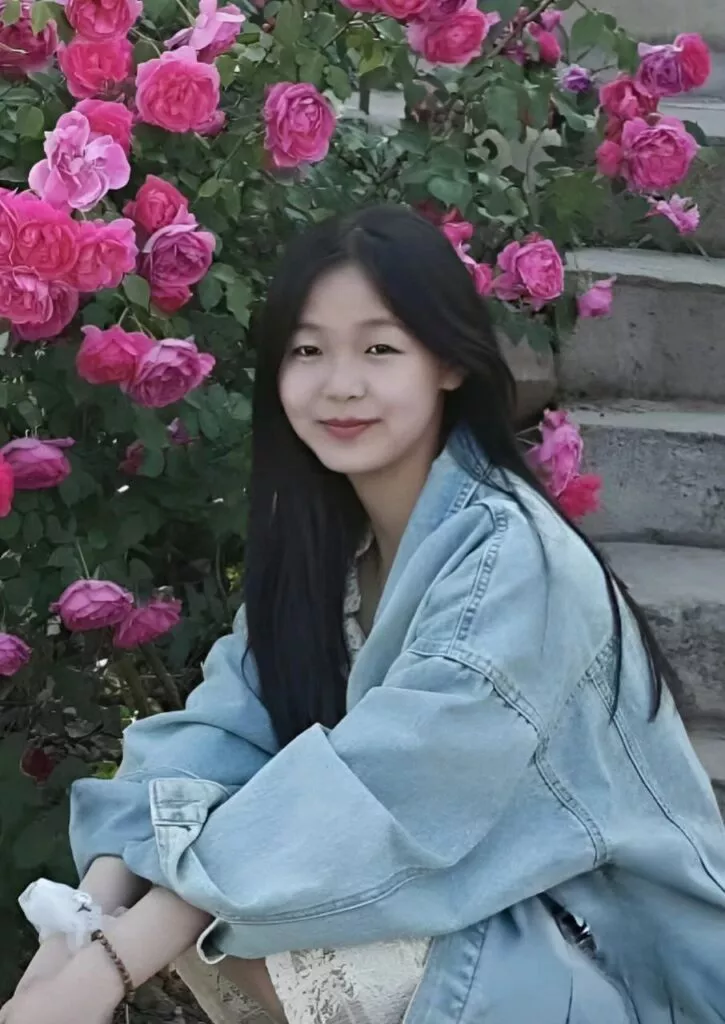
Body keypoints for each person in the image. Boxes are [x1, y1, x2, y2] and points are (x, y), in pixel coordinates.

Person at [3, 205, 725, 1024]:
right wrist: (74, 929)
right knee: (225, 881)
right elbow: (213, 739)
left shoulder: (515, 562)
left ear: (448, 363)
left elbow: (372, 801)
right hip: (508, 933)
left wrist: (106, 969)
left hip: (625, 974)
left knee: (266, 906)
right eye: (308, 351)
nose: (340, 384)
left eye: (379, 349)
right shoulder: (328, 555)